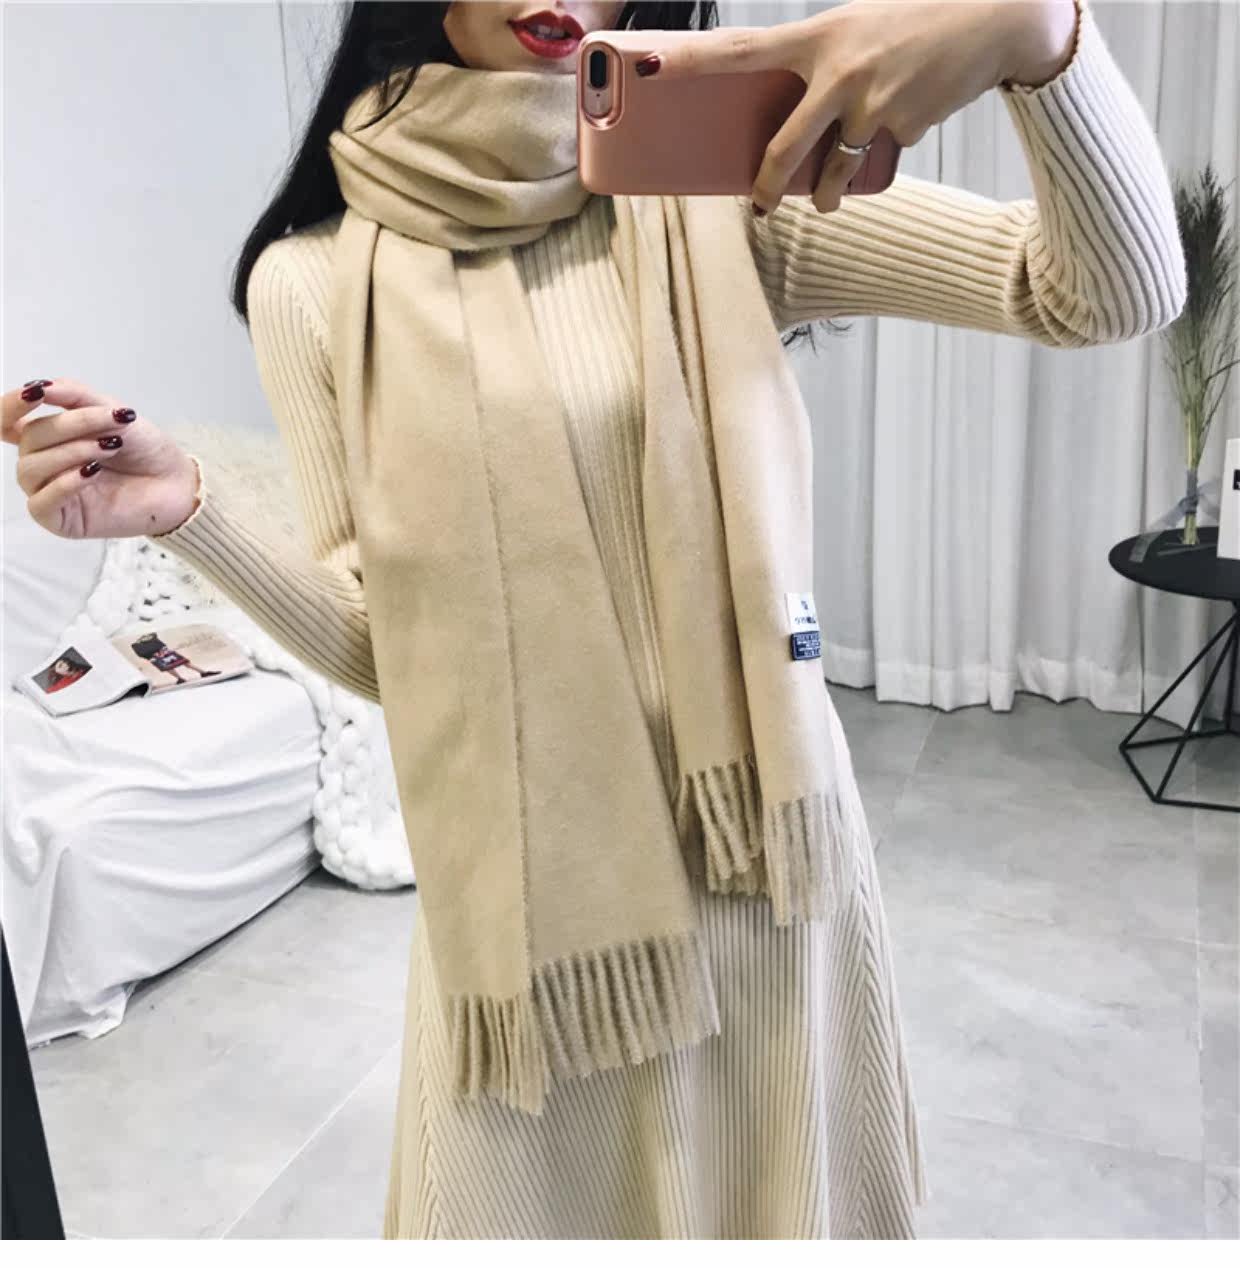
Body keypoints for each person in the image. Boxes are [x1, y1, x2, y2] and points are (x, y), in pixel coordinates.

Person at [2, 0, 1186, 1240]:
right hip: (529, 921)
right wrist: (191, 511)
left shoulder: (723, 199)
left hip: (759, 873)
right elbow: (392, 646)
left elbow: (1108, 291)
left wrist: (1036, 35)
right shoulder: (312, 281)